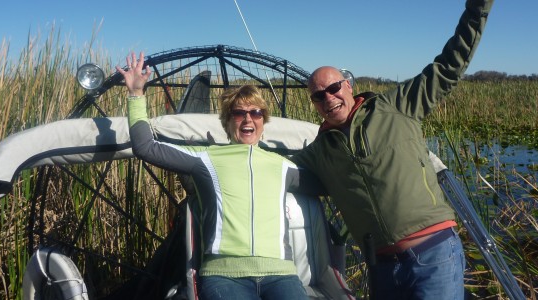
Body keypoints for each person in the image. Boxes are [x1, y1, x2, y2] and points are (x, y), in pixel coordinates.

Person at [290, 0, 494, 299]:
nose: (328, 98)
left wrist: (477, 10)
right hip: (382, 267)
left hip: (434, 252)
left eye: (333, 88)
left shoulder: (396, 106)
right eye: (319, 96)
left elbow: (450, 64)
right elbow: (277, 167)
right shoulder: (320, 151)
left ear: (348, 85)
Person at [117, 52, 319, 300]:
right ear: (227, 121)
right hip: (224, 276)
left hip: (281, 276)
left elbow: (328, 183)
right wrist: (136, 95)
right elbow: (145, 148)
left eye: (255, 113)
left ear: (263, 121)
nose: (248, 118)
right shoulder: (205, 158)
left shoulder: (283, 165)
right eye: (238, 113)